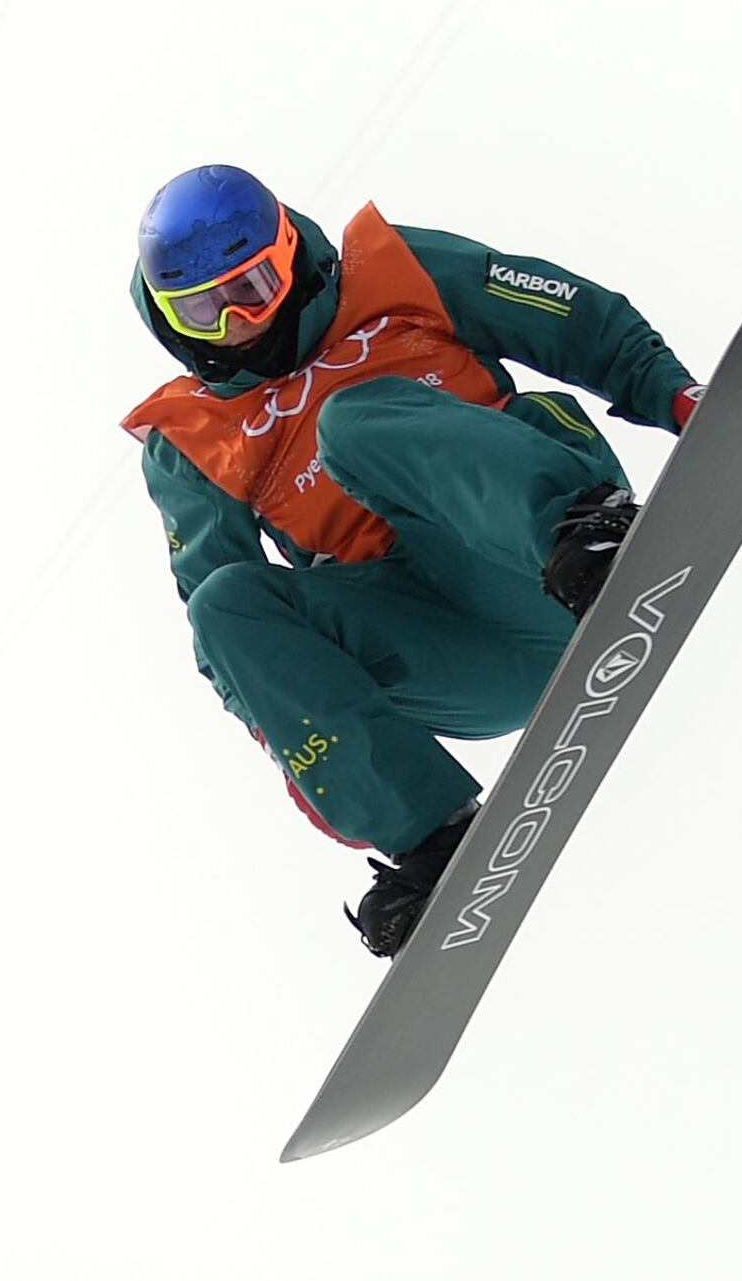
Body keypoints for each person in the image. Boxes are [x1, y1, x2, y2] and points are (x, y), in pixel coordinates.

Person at [123, 164, 705, 956]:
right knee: (223, 602)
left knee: (353, 420)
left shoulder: (391, 272)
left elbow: (574, 318)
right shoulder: (195, 440)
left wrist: (678, 398)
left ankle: (583, 532)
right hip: (449, 647)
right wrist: (303, 751)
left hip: (539, 549)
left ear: (290, 255)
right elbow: (231, 647)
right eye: (202, 312)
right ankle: (428, 834)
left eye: (252, 289)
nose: (236, 325)